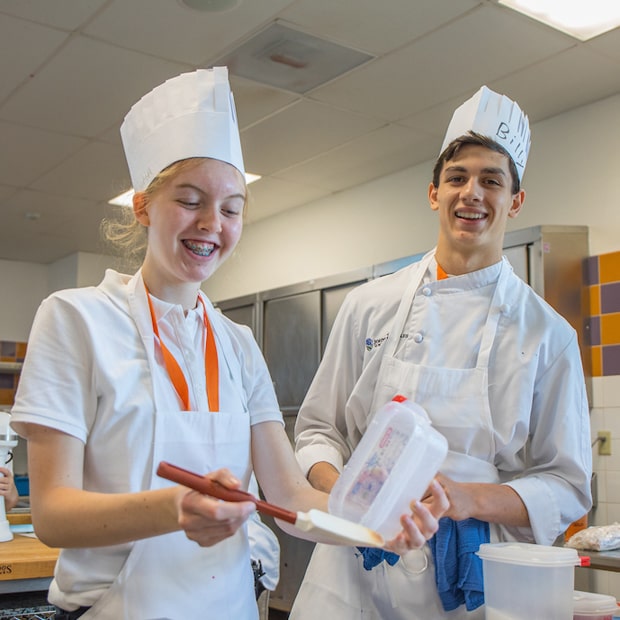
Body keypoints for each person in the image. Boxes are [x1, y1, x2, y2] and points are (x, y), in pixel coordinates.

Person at [9, 67, 448, 619]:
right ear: (143, 206)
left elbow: (289, 498)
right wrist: (176, 508)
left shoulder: (237, 344)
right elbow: (51, 514)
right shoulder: (76, 320)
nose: (212, 224)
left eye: (232, 208)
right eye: (190, 200)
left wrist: (379, 524)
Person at [291, 86, 593, 620]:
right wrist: (352, 499)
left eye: (491, 181)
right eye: (457, 178)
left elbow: (567, 484)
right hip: (354, 569)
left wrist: (466, 498)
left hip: (474, 576)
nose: (471, 193)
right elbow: (318, 431)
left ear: (515, 201)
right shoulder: (370, 304)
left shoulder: (547, 334)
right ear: (434, 193)